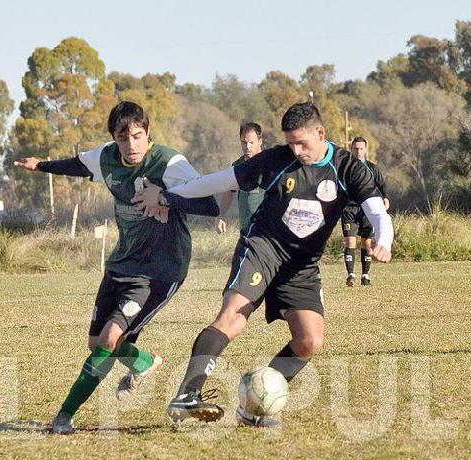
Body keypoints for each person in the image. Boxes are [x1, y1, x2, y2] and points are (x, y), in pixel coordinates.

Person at [133, 102, 394, 428]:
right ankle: (188, 395)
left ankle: (253, 407)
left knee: (309, 342)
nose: (296, 151)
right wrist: (169, 196)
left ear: (321, 133)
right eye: (291, 143)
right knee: (233, 317)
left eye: (303, 143)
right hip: (262, 249)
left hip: (302, 266)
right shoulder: (276, 160)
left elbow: (376, 210)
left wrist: (384, 240)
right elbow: (218, 181)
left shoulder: (347, 168)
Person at [13, 101, 219, 434]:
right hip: (122, 261)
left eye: (138, 136)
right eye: (124, 138)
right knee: (97, 344)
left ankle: (63, 417)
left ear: (148, 133)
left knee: (110, 339)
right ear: (114, 138)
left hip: (160, 270)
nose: (132, 145)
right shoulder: (107, 156)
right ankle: (144, 362)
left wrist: (165, 196)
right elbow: (79, 165)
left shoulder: (169, 163)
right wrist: (41, 166)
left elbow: (211, 204)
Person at [341, 137, 389, 287]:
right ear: (351, 149)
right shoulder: (344, 169)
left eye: (361, 148)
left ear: (366, 149)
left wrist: (385, 198)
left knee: (366, 243)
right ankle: (350, 275)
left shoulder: (372, 168)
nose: (358, 151)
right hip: (349, 209)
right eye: (356, 148)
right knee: (350, 241)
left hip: (367, 209)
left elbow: (382, 185)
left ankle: (365, 276)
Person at [215, 122, 266, 237]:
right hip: (246, 229)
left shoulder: (270, 163)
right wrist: (221, 215)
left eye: (251, 143)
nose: (247, 147)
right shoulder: (237, 166)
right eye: (244, 142)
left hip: (267, 229)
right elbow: (229, 193)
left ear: (260, 141)